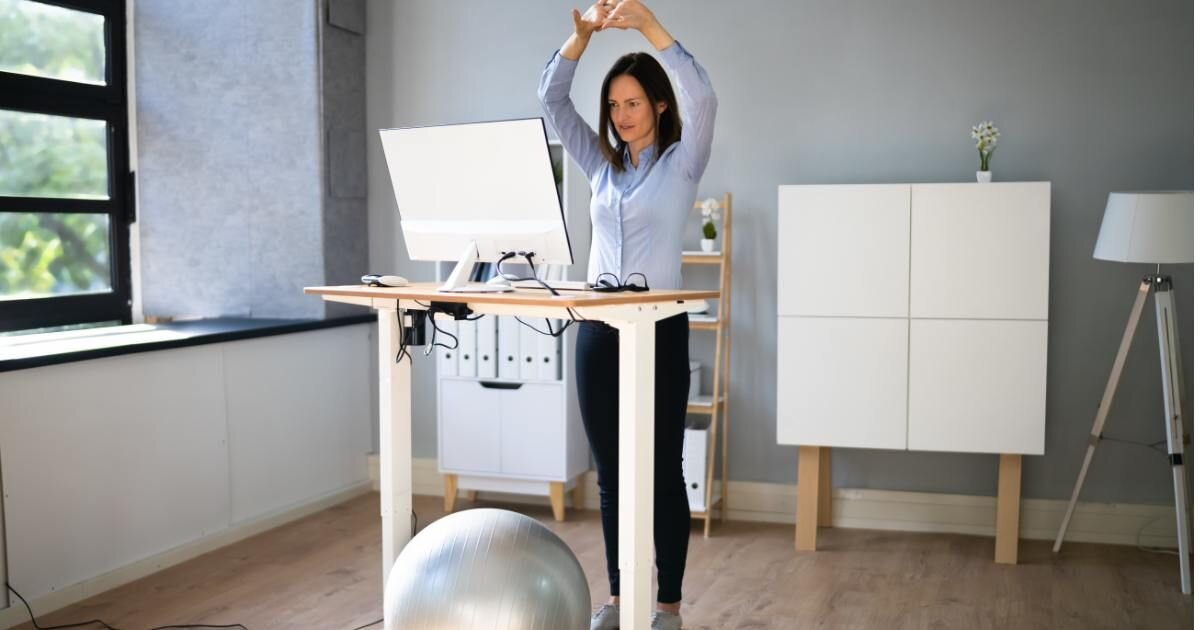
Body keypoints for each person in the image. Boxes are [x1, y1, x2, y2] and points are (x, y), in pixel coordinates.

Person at [537, 1, 717, 628]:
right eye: (614, 105)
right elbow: (552, 101)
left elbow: (705, 97)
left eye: (633, 103)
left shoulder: (681, 163)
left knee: (663, 469)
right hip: (597, 329)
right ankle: (618, 599)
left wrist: (646, 26)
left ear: (659, 106)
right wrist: (580, 38)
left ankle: (666, 604)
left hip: (658, 329)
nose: (620, 116)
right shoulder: (600, 166)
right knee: (611, 475)